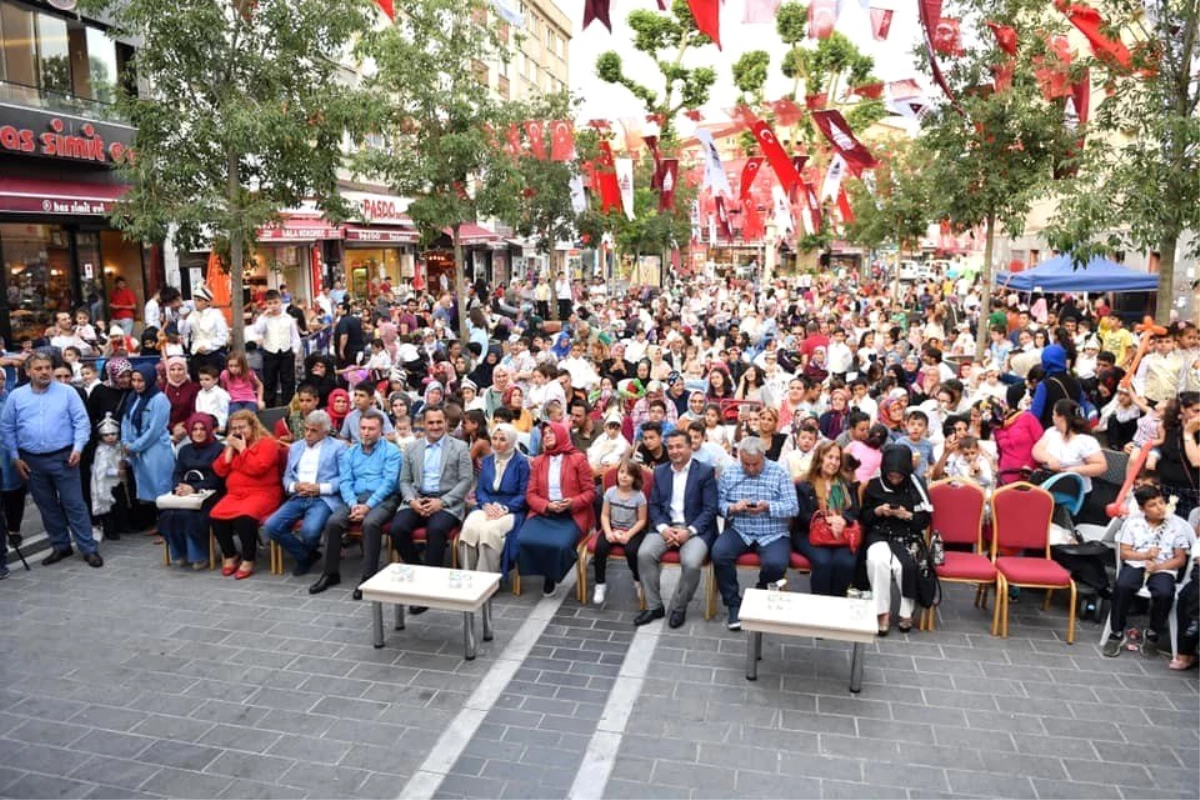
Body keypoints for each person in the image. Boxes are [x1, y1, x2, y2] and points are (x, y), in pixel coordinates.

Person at [0, 351, 101, 567]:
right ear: (28, 372)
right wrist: (15, 457)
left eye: (47, 367)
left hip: (65, 458)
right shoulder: (17, 396)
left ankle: (88, 548)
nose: (44, 372)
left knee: (74, 504)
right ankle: (60, 546)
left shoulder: (67, 392)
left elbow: (81, 422)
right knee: (46, 506)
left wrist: (78, 448)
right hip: (31, 461)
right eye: (39, 368)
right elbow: (7, 428)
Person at [310, 410, 403, 599]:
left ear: (381, 430)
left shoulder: (392, 451)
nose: (366, 433)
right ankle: (330, 573)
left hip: (384, 499)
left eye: (371, 429)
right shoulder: (350, 452)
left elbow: (389, 483)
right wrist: (353, 504)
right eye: (363, 428)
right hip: (356, 498)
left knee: (370, 523)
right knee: (333, 522)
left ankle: (369, 576)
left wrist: (368, 506)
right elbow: (345, 482)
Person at [712, 436, 799, 630]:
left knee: (776, 564)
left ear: (764, 457)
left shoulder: (780, 472)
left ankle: (758, 597)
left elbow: (793, 508)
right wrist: (733, 507)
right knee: (719, 553)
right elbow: (718, 505)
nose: (751, 469)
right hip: (739, 528)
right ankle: (733, 603)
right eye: (746, 464)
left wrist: (769, 506)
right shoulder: (730, 472)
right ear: (739, 456)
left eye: (755, 465)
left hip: (772, 531)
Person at [391, 405, 474, 609]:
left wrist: (443, 502)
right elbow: (404, 481)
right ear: (423, 424)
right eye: (431, 422)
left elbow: (465, 481)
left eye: (439, 422)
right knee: (397, 528)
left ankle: (428, 592)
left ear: (446, 423)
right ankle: (420, 571)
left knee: (436, 530)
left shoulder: (460, 447)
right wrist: (412, 501)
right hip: (417, 498)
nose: (435, 426)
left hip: (447, 501)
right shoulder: (412, 447)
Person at [638, 430, 719, 628]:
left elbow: (710, 509)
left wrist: (688, 531)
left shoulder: (705, 472)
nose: (674, 451)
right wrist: (664, 529)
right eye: (671, 447)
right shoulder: (661, 471)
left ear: (690, 447)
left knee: (691, 563)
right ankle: (654, 606)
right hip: (666, 526)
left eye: (679, 446)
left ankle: (680, 607)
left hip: (695, 529)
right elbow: (654, 505)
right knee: (644, 554)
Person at [1102, 484, 1194, 658]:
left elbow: (1180, 559)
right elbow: (1124, 552)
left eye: (1161, 502)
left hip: (1164, 567)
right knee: (1123, 586)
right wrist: (1144, 555)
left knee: (1165, 592)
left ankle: (1152, 634)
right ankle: (1116, 632)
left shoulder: (1175, 525)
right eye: (1152, 505)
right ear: (1142, 508)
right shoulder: (1134, 524)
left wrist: (1158, 567)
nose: (1159, 508)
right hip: (1136, 563)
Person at [859, 445, 933, 636]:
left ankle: (906, 612)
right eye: (891, 476)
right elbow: (864, 518)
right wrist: (878, 511)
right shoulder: (875, 485)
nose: (894, 480)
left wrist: (906, 515)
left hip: (907, 535)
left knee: (904, 566)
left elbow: (924, 521)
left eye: (899, 476)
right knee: (877, 561)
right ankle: (881, 612)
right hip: (879, 533)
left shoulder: (915, 487)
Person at [264, 410, 345, 576]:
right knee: (271, 526)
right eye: (306, 429)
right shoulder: (296, 447)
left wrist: (320, 488)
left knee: (310, 531)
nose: (307, 434)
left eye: (313, 430)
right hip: (299, 495)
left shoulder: (338, 447)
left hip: (323, 497)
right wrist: (295, 486)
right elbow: (287, 476)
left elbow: (344, 478)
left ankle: (305, 557)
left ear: (325, 431)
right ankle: (306, 556)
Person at [518, 420, 596, 596]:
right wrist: (547, 506)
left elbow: (590, 492)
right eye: (544, 434)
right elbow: (530, 495)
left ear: (561, 435)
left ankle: (550, 575)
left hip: (571, 514)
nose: (547, 436)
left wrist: (572, 503)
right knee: (524, 540)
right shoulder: (538, 461)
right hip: (544, 513)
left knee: (559, 546)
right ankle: (546, 569)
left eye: (551, 433)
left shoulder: (578, 459)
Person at [210, 410, 284, 579]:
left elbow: (257, 468)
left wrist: (243, 449)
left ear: (253, 426)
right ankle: (230, 554)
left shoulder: (267, 443)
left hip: (263, 493)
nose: (238, 431)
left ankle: (248, 558)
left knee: (245, 516)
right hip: (236, 494)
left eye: (242, 427)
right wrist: (229, 449)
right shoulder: (233, 446)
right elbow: (220, 471)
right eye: (234, 428)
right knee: (216, 515)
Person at [458, 423, 530, 576]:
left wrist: (504, 509)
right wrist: (486, 505)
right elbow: (481, 489)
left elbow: (524, 494)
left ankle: (486, 580)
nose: (497, 443)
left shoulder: (521, 463)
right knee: (469, 529)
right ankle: (467, 575)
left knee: (488, 532)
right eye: (495, 438)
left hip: (511, 510)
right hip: (487, 506)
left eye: (502, 439)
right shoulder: (488, 460)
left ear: (511, 441)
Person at [794, 441, 860, 598]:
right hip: (809, 532)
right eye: (830, 457)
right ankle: (820, 605)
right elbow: (801, 515)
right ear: (820, 458)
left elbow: (855, 511)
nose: (834, 462)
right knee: (823, 562)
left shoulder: (845, 484)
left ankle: (837, 601)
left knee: (845, 562)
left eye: (837, 459)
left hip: (841, 533)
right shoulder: (804, 484)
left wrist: (843, 519)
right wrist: (827, 520)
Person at [159, 414, 224, 568]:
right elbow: (177, 472)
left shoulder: (219, 449)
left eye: (202, 429)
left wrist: (194, 488)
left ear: (209, 430)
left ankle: (199, 554)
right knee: (169, 515)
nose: (198, 433)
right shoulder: (184, 450)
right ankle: (180, 552)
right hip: (185, 492)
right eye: (194, 429)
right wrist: (178, 487)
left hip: (210, 492)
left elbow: (217, 478)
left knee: (190, 515)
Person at [592, 457, 649, 606]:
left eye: (629, 474)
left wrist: (628, 535)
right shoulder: (610, 492)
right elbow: (604, 515)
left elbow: (642, 520)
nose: (624, 476)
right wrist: (609, 532)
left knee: (632, 551)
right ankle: (600, 584)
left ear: (635, 478)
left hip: (632, 531)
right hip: (612, 528)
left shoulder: (639, 496)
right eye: (622, 472)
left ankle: (638, 581)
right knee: (600, 548)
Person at [121, 363, 176, 508]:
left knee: (160, 489)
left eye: (141, 381)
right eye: (134, 380)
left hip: (155, 450)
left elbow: (155, 429)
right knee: (147, 490)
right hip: (137, 450)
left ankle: (164, 524)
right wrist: (126, 441)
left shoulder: (159, 399)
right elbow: (126, 420)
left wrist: (135, 446)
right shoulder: (133, 397)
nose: (137, 384)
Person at [1032, 399, 1105, 494]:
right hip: (1049, 486)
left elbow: (1101, 466)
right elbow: (1036, 450)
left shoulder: (1085, 440)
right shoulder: (1051, 432)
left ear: (1061, 418)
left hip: (1074, 492)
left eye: (1054, 414)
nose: (1052, 417)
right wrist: (1049, 459)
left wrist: (1073, 470)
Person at [251, 288, 302, 407]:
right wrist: (263, 316)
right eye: (270, 303)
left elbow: (295, 337)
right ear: (266, 304)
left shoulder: (288, 318)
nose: (273, 306)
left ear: (280, 302)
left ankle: (288, 407)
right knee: (269, 382)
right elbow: (257, 330)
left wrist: (294, 350)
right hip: (270, 352)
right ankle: (270, 408)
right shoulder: (265, 319)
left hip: (286, 352)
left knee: (288, 382)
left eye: (275, 302)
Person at [182, 285, 230, 378]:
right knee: (196, 380)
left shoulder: (216, 315)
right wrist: (183, 320)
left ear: (207, 302)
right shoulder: (192, 315)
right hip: (196, 353)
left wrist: (209, 346)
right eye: (195, 300)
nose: (196, 303)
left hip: (213, 354)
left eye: (199, 300)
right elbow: (184, 332)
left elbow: (223, 336)